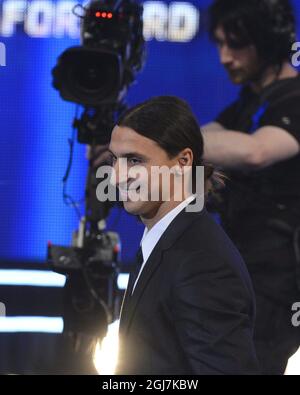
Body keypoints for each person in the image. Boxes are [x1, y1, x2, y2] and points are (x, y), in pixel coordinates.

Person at [107, 95, 259, 375]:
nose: (116, 177)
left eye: (135, 161)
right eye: (114, 160)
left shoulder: (201, 263)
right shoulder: (166, 243)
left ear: (182, 162)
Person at [202, 0, 300, 375]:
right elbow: (204, 135)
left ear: (270, 42)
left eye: (237, 45)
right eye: (220, 45)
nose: (225, 57)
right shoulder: (249, 103)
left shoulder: (295, 98)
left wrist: (160, 141)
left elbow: (257, 151)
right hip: (242, 277)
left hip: (278, 287)